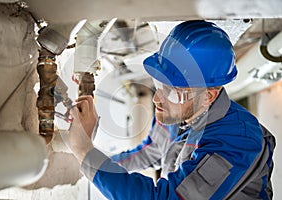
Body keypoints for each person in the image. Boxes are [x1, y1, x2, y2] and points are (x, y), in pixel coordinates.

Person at [68, 20, 276, 200]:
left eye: (172, 91)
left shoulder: (237, 140)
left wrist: (85, 152)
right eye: (158, 84)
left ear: (208, 96)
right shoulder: (177, 112)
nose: (157, 99)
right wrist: (93, 163)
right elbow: (150, 152)